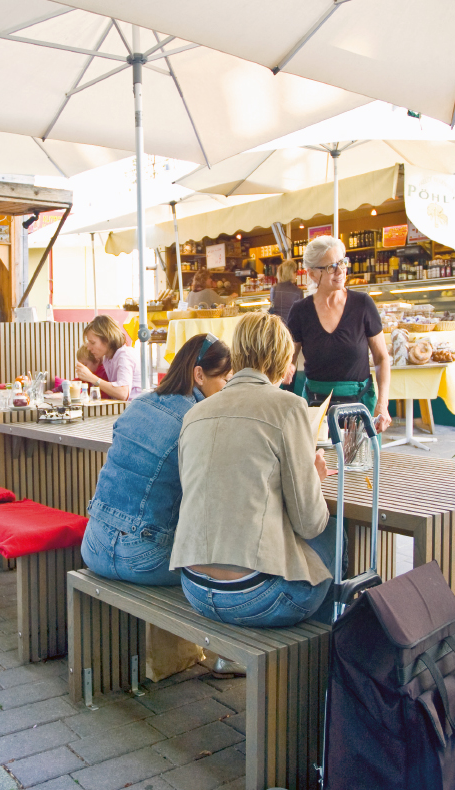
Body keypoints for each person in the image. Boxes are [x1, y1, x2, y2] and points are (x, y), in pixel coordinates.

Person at [170, 311, 336, 628]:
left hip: (194, 586)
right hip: (255, 596)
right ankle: (320, 664)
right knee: (332, 533)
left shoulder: (196, 412)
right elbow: (309, 523)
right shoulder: (289, 407)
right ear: (283, 358)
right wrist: (313, 481)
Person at [80, 332, 232, 587]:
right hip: (144, 560)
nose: (226, 389)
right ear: (199, 375)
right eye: (225, 380)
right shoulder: (198, 420)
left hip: (94, 545)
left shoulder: (139, 403)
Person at [286, 236, 391, 432]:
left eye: (342, 262)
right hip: (316, 409)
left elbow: (381, 358)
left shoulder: (363, 304)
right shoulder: (300, 311)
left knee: (360, 463)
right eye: (331, 266)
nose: (341, 270)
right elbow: (288, 358)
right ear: (312, 274)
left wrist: (382, 405)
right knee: (317, 462)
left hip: (359, 407)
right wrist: (286, 367)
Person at [76, 315, 141, 401]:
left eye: (92, 342)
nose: (88, 347)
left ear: (107, 340)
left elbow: (122, 393)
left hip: (135, 409)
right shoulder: (108, 358)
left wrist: (91, 377)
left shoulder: (124, 355)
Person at [269, 259, 303, 324]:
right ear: (290, 273)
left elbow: (272, 305)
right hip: (291, 327)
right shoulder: (298, 291)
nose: (296, 274)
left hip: (277, 326)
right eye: (295, 271)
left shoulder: (274, 288)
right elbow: (300, 314)